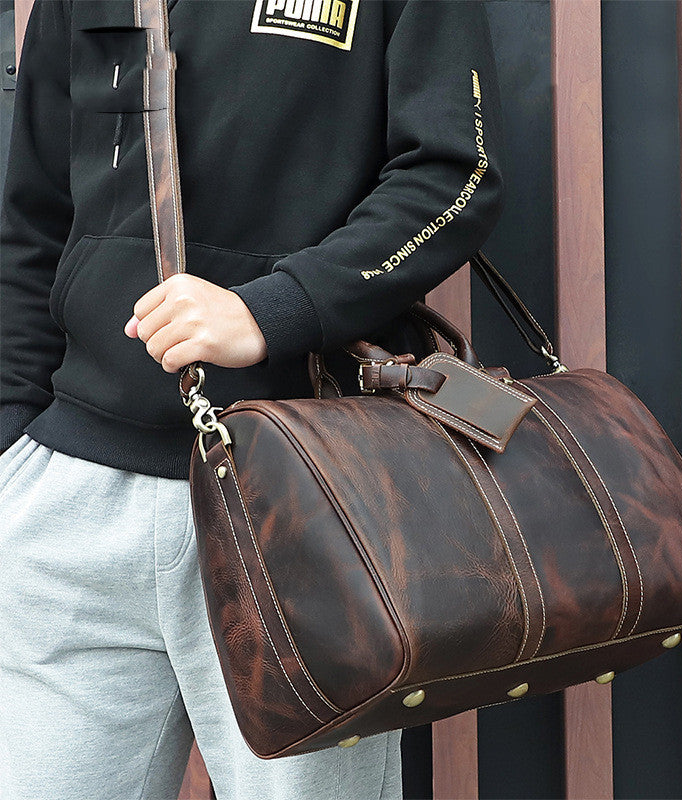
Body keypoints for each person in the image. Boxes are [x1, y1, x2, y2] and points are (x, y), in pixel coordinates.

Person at [0, 0, 505, 797]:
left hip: (300, 505)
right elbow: (32, 213)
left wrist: (272, 310)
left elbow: (454, 174)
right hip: (70, 505)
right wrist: (14, 444)